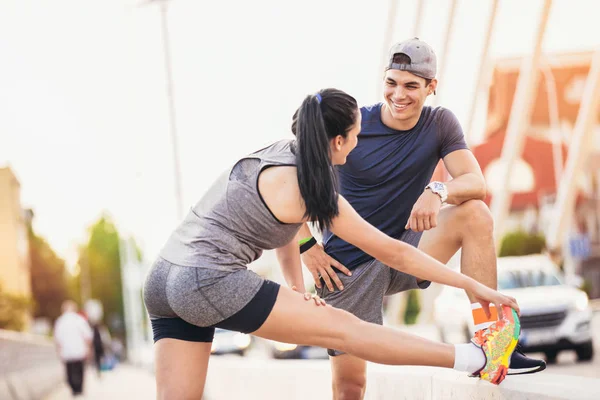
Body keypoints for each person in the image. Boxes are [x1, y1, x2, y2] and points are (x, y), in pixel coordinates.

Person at [143, 88, 521, 400]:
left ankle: (474, 357)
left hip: (163, 277)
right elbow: (394, 252)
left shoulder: (279, 155)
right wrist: (470, 284)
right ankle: (474, 358)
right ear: (338, 141)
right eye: (356, 136)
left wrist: (294, 292)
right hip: (205, 279)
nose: (357, 145)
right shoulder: (314, 188)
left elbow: (285, 227)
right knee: (346, 329)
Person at [296, 38, 545, 399]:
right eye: (392, 83)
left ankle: (494, 344)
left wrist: (437, 190)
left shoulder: (439, 123)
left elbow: (475, 181)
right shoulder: (352, 125)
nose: (399, 94)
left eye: (411, 85)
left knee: (475, 213)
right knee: (350, 386)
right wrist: (306, 244)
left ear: (431, 87)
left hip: (408, 249)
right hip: (346, 269)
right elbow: (293, 177)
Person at [53, 300, 93, 397]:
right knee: (79, 371)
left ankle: (74, 389)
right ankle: (79, 389)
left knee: (69, 372)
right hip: (79, 351)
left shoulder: (59, 321)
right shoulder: (79, 320)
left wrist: (59, 351)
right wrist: (88, 349)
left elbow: (57, 339)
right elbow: (88, 336)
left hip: (67, 353)